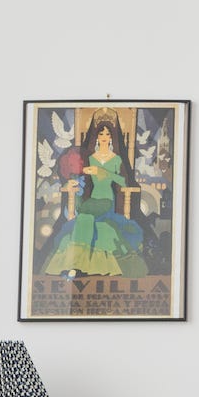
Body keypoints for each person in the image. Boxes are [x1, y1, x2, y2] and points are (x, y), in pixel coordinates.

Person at [42, 114, 148, 277]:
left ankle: (76, 265)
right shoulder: (90, 158)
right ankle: (77, 266)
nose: (104, 137)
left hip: (107, 200)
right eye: (101, 134)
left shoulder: (116, 159)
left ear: (112, 137)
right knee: (85, 218)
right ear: (96, 136)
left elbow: (124, 181)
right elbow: (77, 176)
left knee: (86, 216)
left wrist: (103, 172)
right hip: (91, 200)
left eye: (107, 134)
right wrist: (69, 182)